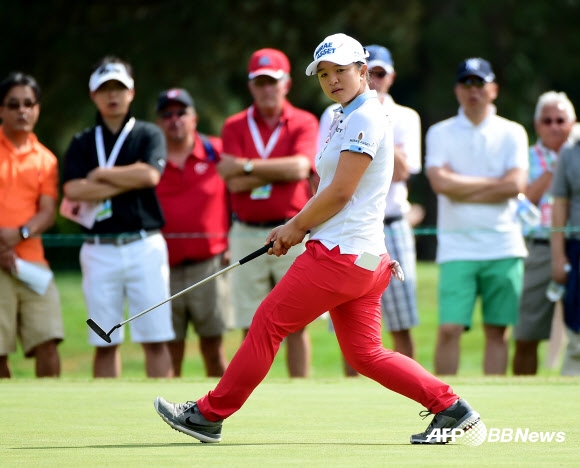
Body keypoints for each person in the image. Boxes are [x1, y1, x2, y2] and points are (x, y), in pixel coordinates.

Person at [154, 33, 485, 445]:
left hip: (339, 254)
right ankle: (451, 409)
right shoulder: (346, 114)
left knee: (267, 323)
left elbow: (342, 190)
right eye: (324, 74)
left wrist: (295, 227)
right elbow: (330, 185)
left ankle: (208, 415)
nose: (332, 80)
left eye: (341, 71)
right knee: (366, 354)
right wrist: (300, 226)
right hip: (361, 256)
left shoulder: (364, 117)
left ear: (363, 71)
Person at [61, 56, 174, 378]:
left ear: (131, 92)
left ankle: (161, 413)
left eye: (119, 88)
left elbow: (150, 176)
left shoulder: (148, 134)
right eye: (105, 89)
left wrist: (100, 175)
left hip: (144, 246)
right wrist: (126, 179)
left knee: (155, 338)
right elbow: (73, 190)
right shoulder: (82, 141)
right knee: (104, 339)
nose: (113, 95)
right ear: (93, 95)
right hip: (98, 249)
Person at [318, 44, 421, 375]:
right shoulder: (332, 114)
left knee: (401, 322)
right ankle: (353, 394)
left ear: (390, 77)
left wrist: (376, 124)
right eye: (369, 72)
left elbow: (403, 171)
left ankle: (409, 390)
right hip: (344, 227)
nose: (374, 79)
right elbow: (324, 172)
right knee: (349, 325)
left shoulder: (404, 116)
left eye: (380, 73)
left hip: (391, 223)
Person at [215, 48, 319, 377]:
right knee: (249, 322)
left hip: (294, 228)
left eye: (272, 81)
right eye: (260, 82)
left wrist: (247, 167)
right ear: (251, 86)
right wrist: (279, 172)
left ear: (286, 83)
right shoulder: (234, 125)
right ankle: (249, 392)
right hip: (246, 231)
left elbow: (300, 166)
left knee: (297, 323)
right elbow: (230, 183)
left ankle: (299, 391)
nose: (267, 88)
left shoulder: (303, 121)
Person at [425, 58, 529, 375]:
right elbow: (440, 184)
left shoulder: (513, 132)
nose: (474, 91)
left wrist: (461, 186)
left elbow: (516, 185)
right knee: (449, 329)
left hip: (504, 245)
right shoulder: (439, 132)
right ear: (457, 90)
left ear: (493, 89)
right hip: (457, 247)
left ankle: (492, 403)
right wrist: (494, 186)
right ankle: (444, 406)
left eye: (480, 84)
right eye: (467, 84)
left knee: (498, 331)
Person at [155, 88, 231, 377]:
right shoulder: (152, 156)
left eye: (181, 112)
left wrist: (232, 238)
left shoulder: (215, 150)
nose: (174, 119)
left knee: (214, 348)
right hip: (164, 268)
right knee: (170, 350)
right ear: (160, 122)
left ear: (194, 118)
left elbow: (237, 196)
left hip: (209, 265)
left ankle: (218, 410)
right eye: (167, 114)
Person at [0, 72, 64, 378]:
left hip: (32, 264)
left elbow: (47, 212)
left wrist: (20, 234)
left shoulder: (46, 159)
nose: (22, 110)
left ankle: (50, 420)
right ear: (1, 110)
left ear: (37, 109)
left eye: (29, 104)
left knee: (49, 341)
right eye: (13, 104)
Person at [513, 92, 577, 375]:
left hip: (575, 245)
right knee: (526, 334)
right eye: (547, 121)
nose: (554, 127)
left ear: (572, 122)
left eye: (560, 121)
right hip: (537, 247)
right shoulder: (526, 157)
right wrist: (556, 170)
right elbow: (520, 201)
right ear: (537, 125)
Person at [551, 124, 580, 376]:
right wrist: (558, 255)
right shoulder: (571, 149)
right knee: (577, 329)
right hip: (577, 245)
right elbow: (560, 202)